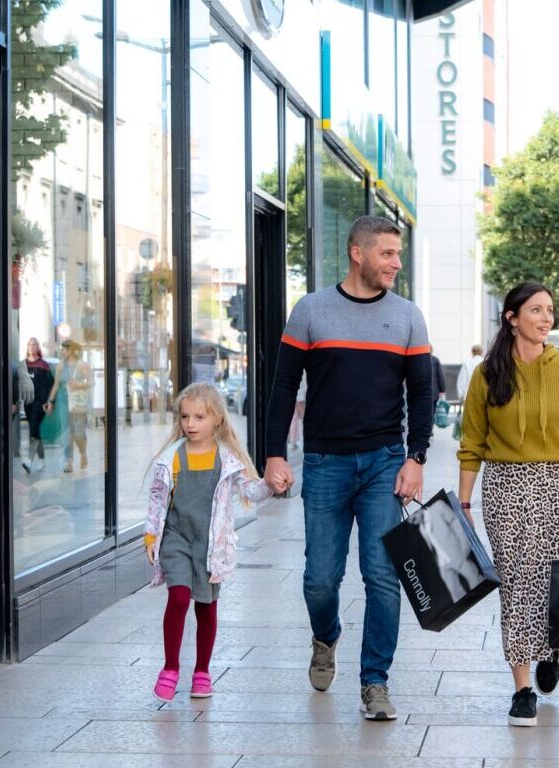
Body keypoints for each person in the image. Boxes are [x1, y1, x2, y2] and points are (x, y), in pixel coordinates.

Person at [263, 215, 433, 722]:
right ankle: (326, 636)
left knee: (383, 576)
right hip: (323, 462)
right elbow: (282, 386)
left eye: (397, 255)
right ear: (357, 253)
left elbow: (422, 393)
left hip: (384, 462)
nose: (395, 264)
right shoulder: (311, 310)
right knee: (320, 579)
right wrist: (274, 452)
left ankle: (374, 681)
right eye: (386, 254)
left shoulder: (407, 317)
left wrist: (416, 456)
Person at [457, 281, 559, 727]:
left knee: (553, 577)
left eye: (549, 312)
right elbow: (472, 443)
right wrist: (464, 503)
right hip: (503, 487)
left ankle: (552, 646)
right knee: (517, 583)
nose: (546, 319)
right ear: (512, 317)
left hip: (554, 485)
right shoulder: (488, 374)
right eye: (536, 311)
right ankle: (522, 687)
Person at [143, 382, 272, 702]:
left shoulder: (226, 460)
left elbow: (250, 492)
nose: (190, 424)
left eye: (199, 417)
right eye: (185, 417)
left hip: (210, 544)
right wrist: (150, 535)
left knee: (206, 605)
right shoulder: (171, 458)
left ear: (217, 419)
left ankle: (202, 671)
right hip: (176, 539)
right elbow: (158, 497)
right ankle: (170, 668)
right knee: (179, 597)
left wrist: (270, 483)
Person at [48, 339, 92, 472]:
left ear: (71, 350)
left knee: (78, 433)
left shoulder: (82, 364)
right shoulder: (60, 365)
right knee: (66, 432)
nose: (62, 352)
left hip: (78, 400)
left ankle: (83, 454)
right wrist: (50, 401)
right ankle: (69, 462)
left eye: (64, 349)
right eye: (62, 349)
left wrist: (78, 385)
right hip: (62, 399)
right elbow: (56, 384)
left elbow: (90, 382)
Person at [22, 338, 55, 473]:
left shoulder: (44, 365)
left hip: (40, 403)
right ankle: (42, 461)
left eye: (35, 344)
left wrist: (49, 402)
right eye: (30, 344)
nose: (32, 347)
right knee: (36, 431)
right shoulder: (23, 364)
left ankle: (29, 461)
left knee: (34, 431)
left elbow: (51, 384)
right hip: (28, 403)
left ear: (38, 347)